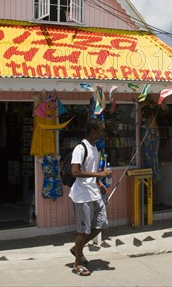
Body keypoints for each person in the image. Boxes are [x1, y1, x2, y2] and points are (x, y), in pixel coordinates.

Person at [68, 118, 112, 276]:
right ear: (93, 131)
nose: (103, 133)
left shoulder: (96, 148)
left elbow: (92, 168)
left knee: (100, 224)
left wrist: (99, 181)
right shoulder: (81, 148)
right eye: (101, 130)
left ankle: (76, 248)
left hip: (94, 193)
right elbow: (75, 171)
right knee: (83, 231)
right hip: (82, 196)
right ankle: (77, 264)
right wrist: (98, 174)